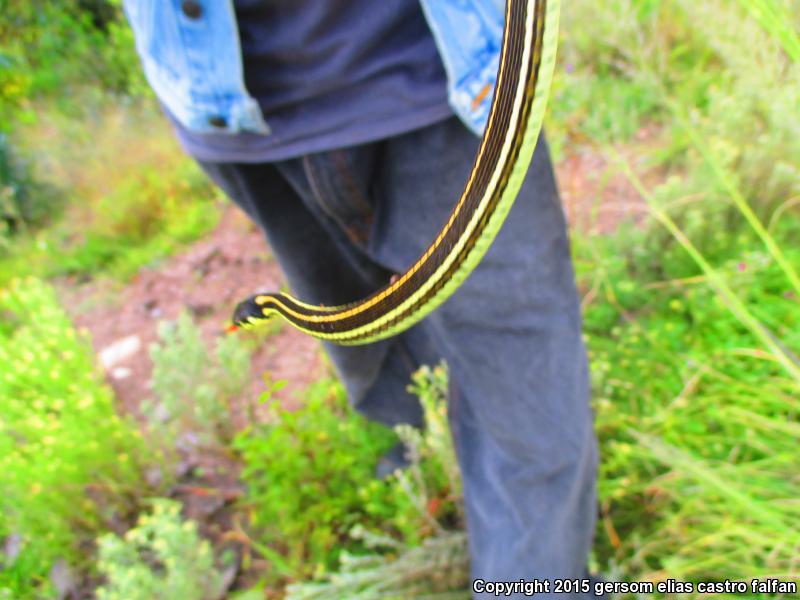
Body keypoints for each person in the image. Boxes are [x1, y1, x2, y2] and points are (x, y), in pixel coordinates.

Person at [123, 1, 599, 597]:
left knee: (529, 402)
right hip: (230, 107)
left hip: (461, 83)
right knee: (375, 354)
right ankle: (429, 469)